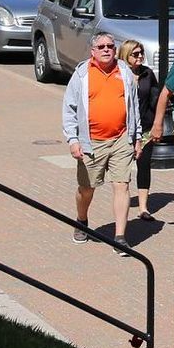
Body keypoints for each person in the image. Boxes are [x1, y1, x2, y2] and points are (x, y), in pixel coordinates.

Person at [61, 32, 142, 255]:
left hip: (121, 139)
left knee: (122, 185)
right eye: (101, 46)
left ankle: (120, 237)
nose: (106, 50)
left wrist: (137, 137)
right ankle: (81, 220)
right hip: (91, 142)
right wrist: (73, 139)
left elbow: (133, 107)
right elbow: (69, 109)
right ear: (93, 51)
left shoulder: (124, 72)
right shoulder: (82, 74)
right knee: (87, 189)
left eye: (110, 46)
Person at [121, 40, 160, 222]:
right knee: (122, 168)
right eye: (135, 54)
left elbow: (155, 98)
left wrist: (156, 124)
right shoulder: (119, 74)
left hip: (145, 128)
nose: (139, 57)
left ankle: (143, 208)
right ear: (126, 55)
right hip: (123, 130)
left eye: (141, 53)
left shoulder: (147, 74)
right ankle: (122, 202)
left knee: (144, 166)